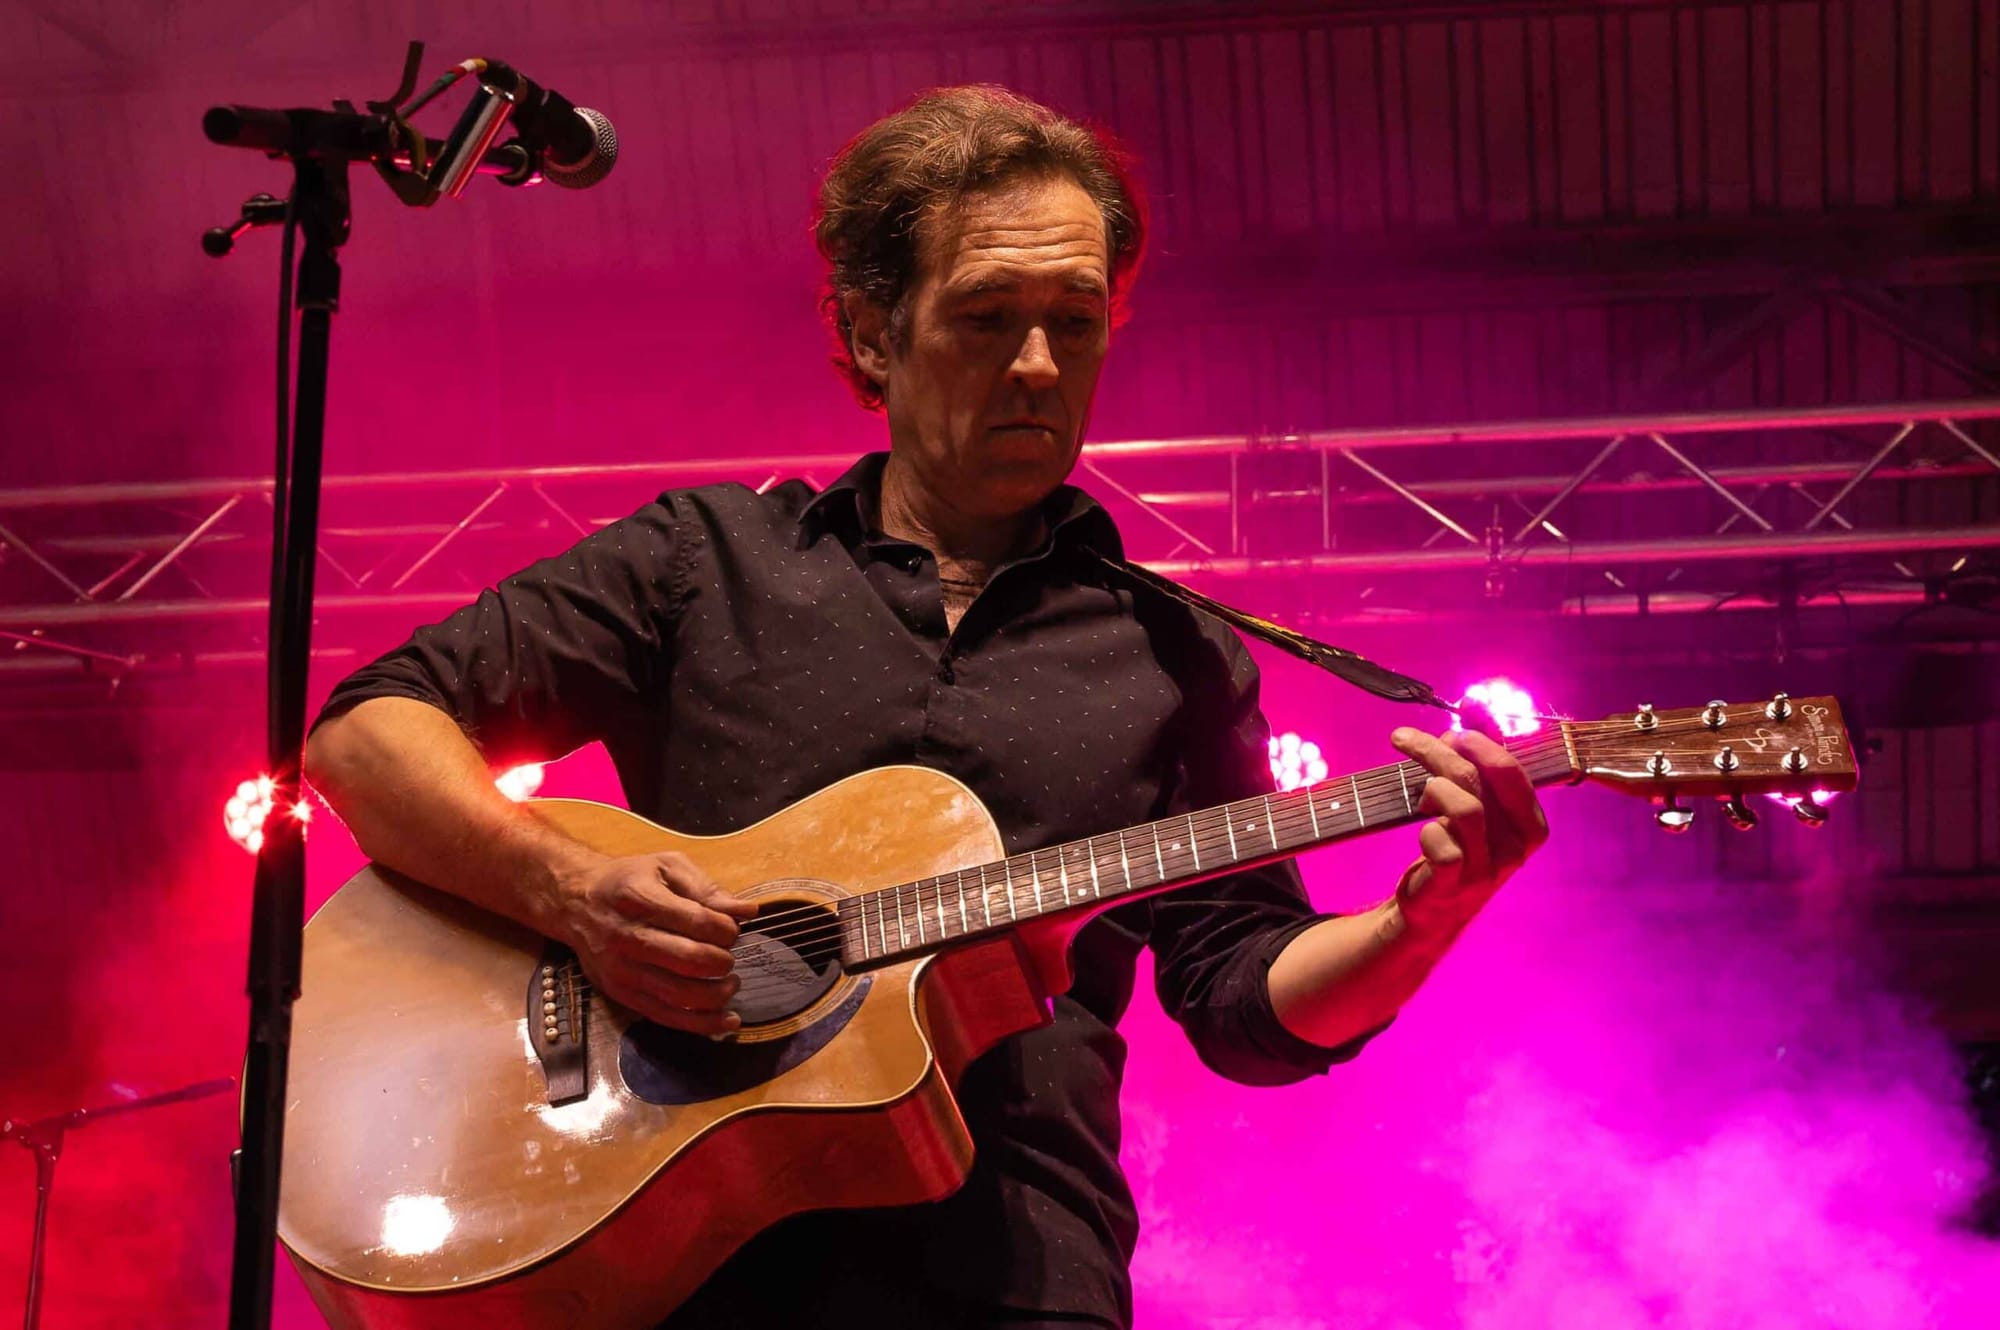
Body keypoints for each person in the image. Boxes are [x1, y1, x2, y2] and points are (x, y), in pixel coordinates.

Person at [303, 85, 1549, 1329]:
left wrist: (1419, 921)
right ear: (867, 335)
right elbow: (367, 730)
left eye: (1074, 321)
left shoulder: (1176, 653)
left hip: (1015, 1279)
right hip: (677, 1263)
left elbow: (1240, 1000)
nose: (1038, 365)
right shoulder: (702, 560)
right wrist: (571, 892)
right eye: (986, 317)